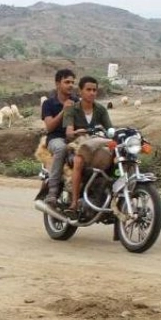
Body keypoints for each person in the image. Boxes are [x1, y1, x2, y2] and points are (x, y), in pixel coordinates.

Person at [61, 76, 113, 218]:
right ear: (80, 92)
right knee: (79, 160)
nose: (92, 93)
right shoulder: (72, 109)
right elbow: (69, 132)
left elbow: (110, 130)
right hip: (77, 144)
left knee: (118, 157)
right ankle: (74, 203)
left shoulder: (101, 110)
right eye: (88, 89)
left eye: (94, 90)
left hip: (96, 145)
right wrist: (76, 132)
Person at [40, 68, 78, 208]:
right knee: (61, 149)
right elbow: (49, 127)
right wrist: (64, 110)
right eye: (67, 82)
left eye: (72, 82)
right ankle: (53, 191)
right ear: (57, 84)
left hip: (74, 138)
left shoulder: (77, 101)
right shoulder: (48, 104)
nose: (70, 85)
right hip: (56, 138)